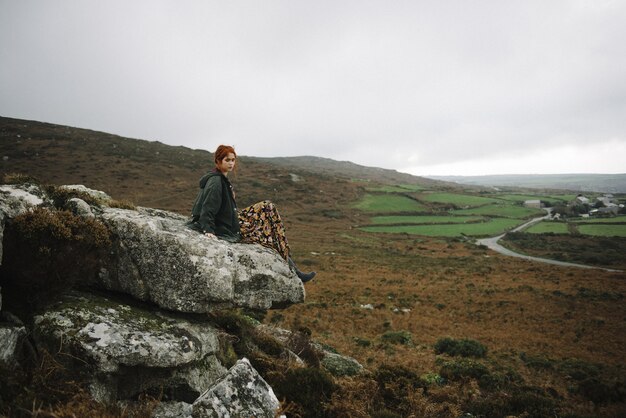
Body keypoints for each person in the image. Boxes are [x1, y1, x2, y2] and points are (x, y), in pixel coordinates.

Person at [188, 145, 315, 282]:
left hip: (231, 218)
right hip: (227, 225)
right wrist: (208, 229)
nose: (231, 163)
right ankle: (294, 270)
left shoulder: (220, 178)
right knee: (267, 230)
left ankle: (293, 266)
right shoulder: (216, 181)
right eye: (227, 160)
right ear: (218, 161)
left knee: (268, 208)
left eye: (233, 160)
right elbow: (208, 207)